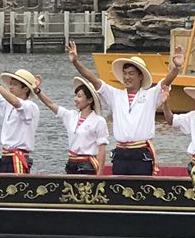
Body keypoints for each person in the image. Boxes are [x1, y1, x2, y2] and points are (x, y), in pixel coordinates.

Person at [66, 43, 181, 176]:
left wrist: (176, 68)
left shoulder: (150, 95)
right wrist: (76, 62)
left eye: (131, 73)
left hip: (141, 153)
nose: (127, 77)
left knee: (141, 192)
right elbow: (93, 79)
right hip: (120, 154)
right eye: (125, 74)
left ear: (140, 76)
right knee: (118, 192)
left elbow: (166, 82)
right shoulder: (115, 95)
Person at [42, 74, 109, 174]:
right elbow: (51, 105)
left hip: (87, 165)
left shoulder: (99, 121)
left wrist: (99, 174)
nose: (75, 99)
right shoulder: (71, 116)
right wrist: (37, 91)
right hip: (71, 162)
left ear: (90, 100)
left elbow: (102, 149)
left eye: (79, 96)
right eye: (75, 96)